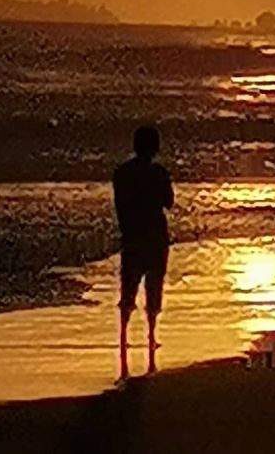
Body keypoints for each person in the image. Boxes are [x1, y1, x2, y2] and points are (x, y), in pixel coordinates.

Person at [113, 125, 174, 378]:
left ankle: (123, 340)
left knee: (128, 290)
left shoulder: (122, 174)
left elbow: (120, 207)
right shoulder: (159, 173)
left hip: (132, 237)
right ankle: (150, 341)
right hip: (156, 238)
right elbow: (169, 203)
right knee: (153, 289)